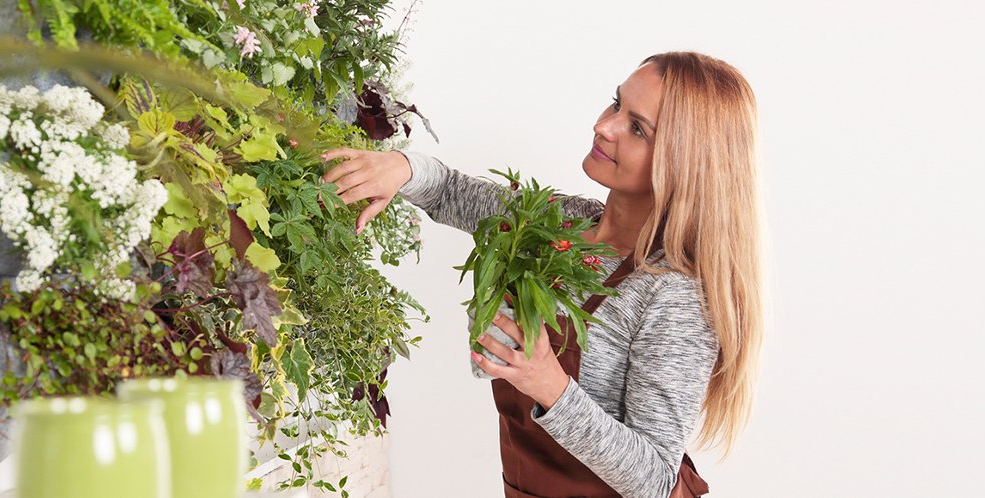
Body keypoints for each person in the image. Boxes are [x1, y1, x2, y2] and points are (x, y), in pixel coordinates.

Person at [319, 51, 765, 498]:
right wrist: (403, 167)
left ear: (685, 161)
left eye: (637, 128)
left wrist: (549, 384)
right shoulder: (560, 223)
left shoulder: (673, 293)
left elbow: (656, 479)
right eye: (615, 104)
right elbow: (454, 192)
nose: (603, 126)